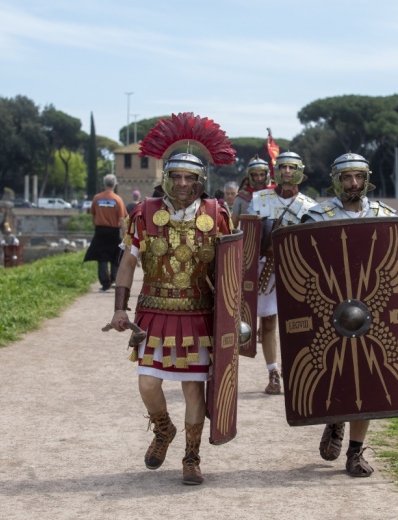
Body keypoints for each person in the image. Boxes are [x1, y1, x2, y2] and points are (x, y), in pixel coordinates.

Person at [109, 112, 236, 486]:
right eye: (176, 176)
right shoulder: (144, 214)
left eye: (190, 177)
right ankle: (164, 430)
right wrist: (120, 307)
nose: (183, 184)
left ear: (200, 180)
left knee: (193, 388)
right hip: (153, 312)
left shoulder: (218, 214)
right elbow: (128, 263)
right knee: (148, 383)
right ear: (166, 176)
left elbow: (230, 270)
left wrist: (235, 317)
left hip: (198, 313)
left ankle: (192, 457)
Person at [301, 152, 397, 478]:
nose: (353, 184)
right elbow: (302, 265)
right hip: (329, 306)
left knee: (368, 379)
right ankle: (335, 416)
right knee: (334, 370)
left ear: (366, 178)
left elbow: (396, 263)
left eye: (358, 177)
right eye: (347, 177)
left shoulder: (385, 215)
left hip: (371, 309)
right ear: (336, 179)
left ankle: (355, 453)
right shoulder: (317, 216)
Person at [246, 151, 316, 394]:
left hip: (296, 272)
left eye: (292, 167)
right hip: (266, 269)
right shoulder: (259, 199)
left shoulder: (310, 207)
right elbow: (247, 238)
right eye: (283, 166)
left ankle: (293, 368)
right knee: (268, 322)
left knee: (298, 322)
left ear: (300, 171)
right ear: (276, 170)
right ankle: (273, 372)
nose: (287, 171)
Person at [84, 174, 127, 292]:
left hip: (100, 231)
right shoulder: (118, 199)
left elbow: (93, 214)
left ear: (104, 184)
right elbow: (122, 218)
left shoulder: (97, 198)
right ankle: (114, 279)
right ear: (114, 184)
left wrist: (97, 225)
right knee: (115, 256)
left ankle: (105, 283)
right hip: (114, 231)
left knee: (102, 257)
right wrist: (124, 233)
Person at [231, 155, 275, 228]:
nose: (259, 178)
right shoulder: (242, 198)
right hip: (248, 238)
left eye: (262, 175)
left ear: (266, 175)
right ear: (250, 176)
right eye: (255, 175)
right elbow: (232, 227)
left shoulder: (275, 195)